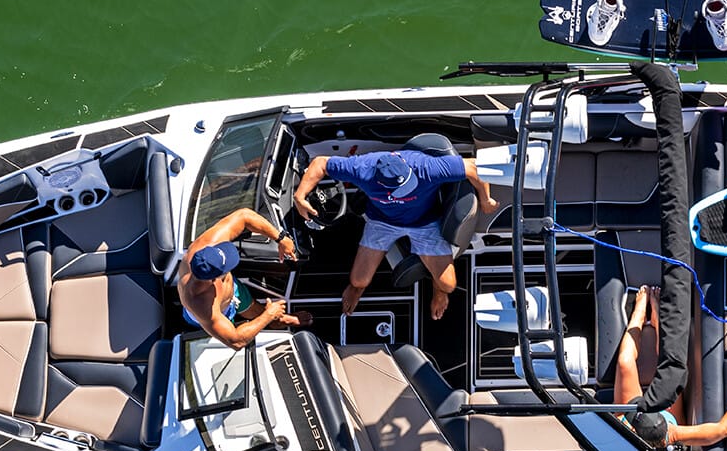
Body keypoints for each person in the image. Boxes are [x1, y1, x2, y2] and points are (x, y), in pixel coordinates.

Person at [293, 148, 499, 320]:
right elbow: (320, 163)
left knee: (448, 284)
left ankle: (438, 291)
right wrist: (300, 195)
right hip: (381, 222)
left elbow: (474, 167)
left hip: (424, 223)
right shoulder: (362, 168)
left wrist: (485, 199)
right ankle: (357, 290)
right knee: (358, 280)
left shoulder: (426, 168)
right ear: (379, 181)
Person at [615, 285, 727, 449]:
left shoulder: (622, 427)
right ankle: (657, 323)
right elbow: (723, 429)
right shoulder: (672, 433)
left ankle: (639, 315)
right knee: (672, 368)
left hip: (632, 421)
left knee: (624, 362)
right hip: (667, 420)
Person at [178, 207, 311, 349]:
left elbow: (244, 215)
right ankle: (273, 320)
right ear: (215, 278)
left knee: (252, 306)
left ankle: (277, 320)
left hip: (233, 294)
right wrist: (268, 314)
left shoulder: (205, 246)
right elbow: (236, 341)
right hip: (219, 314)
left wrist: (281, 238)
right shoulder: (201, 305)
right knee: (237, 329)